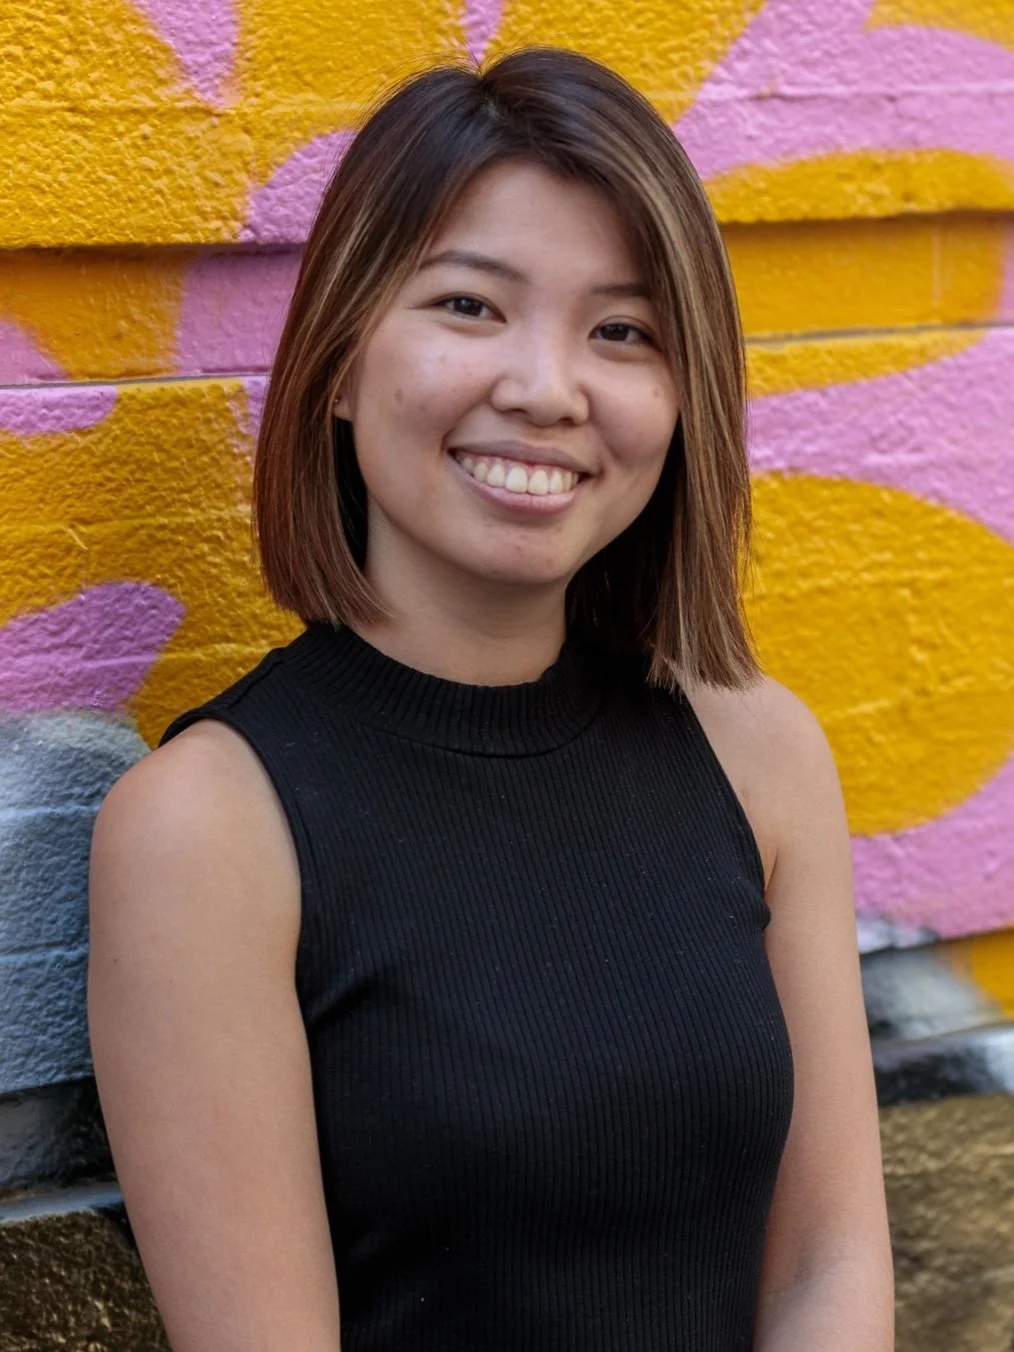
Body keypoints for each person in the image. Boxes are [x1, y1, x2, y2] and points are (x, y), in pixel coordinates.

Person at [87, 45, 894, 1352]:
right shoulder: (210, 832)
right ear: (340, 365)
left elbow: (827, 1265)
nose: (544, 388)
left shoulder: (755, 751)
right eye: (469, 307)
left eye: (620, 331)